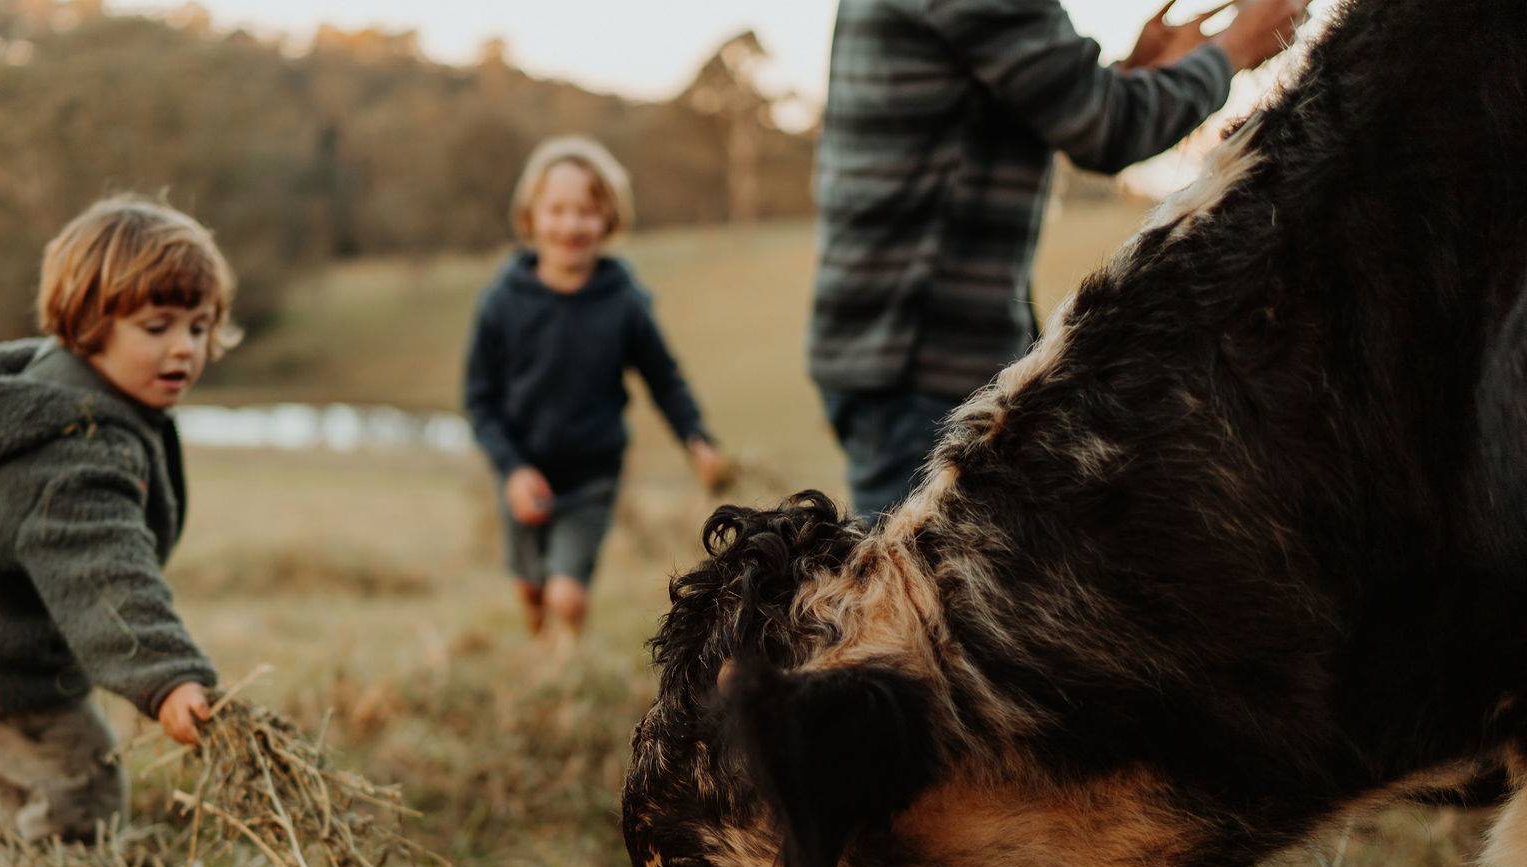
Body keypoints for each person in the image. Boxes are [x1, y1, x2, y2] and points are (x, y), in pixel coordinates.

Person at [809, 0, 1311, 520]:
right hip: (922, 362)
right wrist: (1233, 49)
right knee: (934, 591)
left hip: (896, 351)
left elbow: (1048, 103)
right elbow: (1101, 126)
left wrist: (1136, 74)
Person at [0, 195, 236, 861]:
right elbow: (105, 573)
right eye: (157, 326)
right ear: (91, 324)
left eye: (199, 324)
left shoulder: (86, 398)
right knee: (77, 778)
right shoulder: (77, 445)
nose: (184, 347)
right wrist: (168, 676)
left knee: (24, 781)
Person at [464, 135, 729, 641]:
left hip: (592, 476)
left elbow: (664, 379)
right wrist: (513, 470)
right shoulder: (501, 302)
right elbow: (479, 400)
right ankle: (537, 641)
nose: (571, 225)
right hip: (523, 471)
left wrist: (696, 438)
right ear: (530, 217)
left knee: (568, 594)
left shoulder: (624, 301)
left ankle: (567, 663)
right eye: (557, 210)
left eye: (587, 211)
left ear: (609, 218)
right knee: (531, 589)